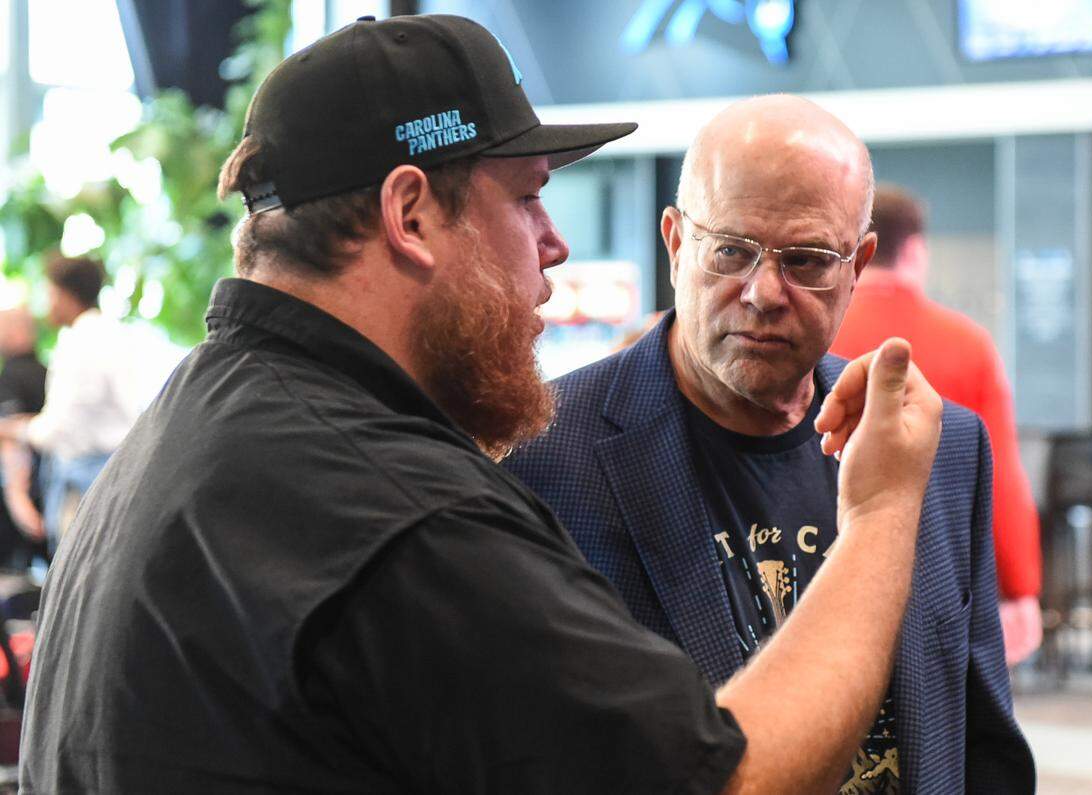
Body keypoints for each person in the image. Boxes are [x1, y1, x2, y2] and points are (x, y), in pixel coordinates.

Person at [21, 16, 943, 794]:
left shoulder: (194, 429)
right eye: (529, 200)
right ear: (411, 214)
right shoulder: (391, 513)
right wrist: (885, 507)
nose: (554, 244)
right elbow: (735, 779)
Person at [505, 95, 1035, 793]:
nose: (761, 292)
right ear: (674, 244)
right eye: (729, 249)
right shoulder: (543, 461)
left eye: (808, 260)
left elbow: (981, 747)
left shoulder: (939, 449)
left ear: (858, 264)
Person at [829, 184, 1043, 666]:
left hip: (820, 567)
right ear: (914, 250)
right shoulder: (967, 343)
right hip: (939, 576)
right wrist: (1019, 586)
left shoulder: (818, 333)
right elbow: (999, 475)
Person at [0, 257, 147, 551]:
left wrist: (13, 429)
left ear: (65, 295)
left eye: (49, 293)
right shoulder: (117, 334)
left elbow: (57, 430)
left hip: (89, 483)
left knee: (77, 581)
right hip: (120, 474)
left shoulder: (79, 343)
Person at [0, 308, 47, 566]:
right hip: (48, 496)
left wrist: (16, 495)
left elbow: (11, 440)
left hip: (23, 507)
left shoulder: (11, 376)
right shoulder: (49, 373)